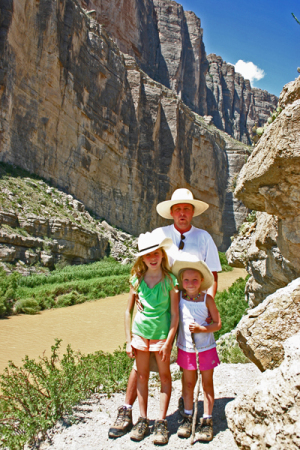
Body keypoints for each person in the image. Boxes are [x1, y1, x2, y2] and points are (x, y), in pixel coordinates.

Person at [108, 188, 221, 438]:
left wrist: (208, 308)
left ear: (193, 212)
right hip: (161, 311)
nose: (182, 213)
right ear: (171, 212)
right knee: (143, 363)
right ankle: (127, 410)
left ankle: (186, 408)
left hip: (193, 310)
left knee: (186, 358)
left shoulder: (204, 238)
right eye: (178, 209)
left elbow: (212, 276)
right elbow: (143, 265)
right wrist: (140, 297)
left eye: (187, 209)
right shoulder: (160, 234)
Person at [125, 230, 179, 444]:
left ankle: (161, 421)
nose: (153, 257)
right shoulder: (136, 280)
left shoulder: (170, 281)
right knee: (141, 376)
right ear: (142, 258)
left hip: (161, 337)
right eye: (148, 255)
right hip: (140, 335)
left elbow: (174, 315)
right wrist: (129, 340)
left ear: (162, 255)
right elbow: (127, 312)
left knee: (165, 377)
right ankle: (143, 419)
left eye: (157, 253)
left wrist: (168, 343)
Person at [172, 254, 221, 441]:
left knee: (207, 383)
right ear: (182, 282)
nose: (191, 283)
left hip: (205, 348)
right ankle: (187, 415)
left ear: (201, 281)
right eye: (186, 280)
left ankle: (207, 420)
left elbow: (217, 324)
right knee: (188, 382)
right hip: (186, 348)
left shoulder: (207, 300)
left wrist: (202, 328)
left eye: (194, 279)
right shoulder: (178, 298)